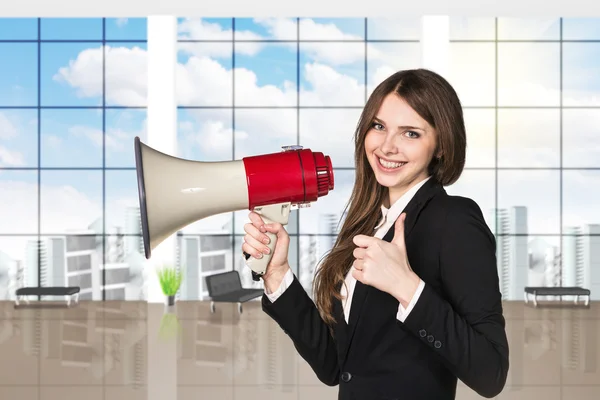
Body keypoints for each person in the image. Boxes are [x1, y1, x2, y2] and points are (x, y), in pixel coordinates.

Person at [241, 68, 509, 400]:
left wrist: (406, 287)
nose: (386, 146)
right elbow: (334, 367)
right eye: (379, 126)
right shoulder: (367, 223)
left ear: (440, 145)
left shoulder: (454, 220)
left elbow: (491, 372)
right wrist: (277, 273)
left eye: (410, 133)